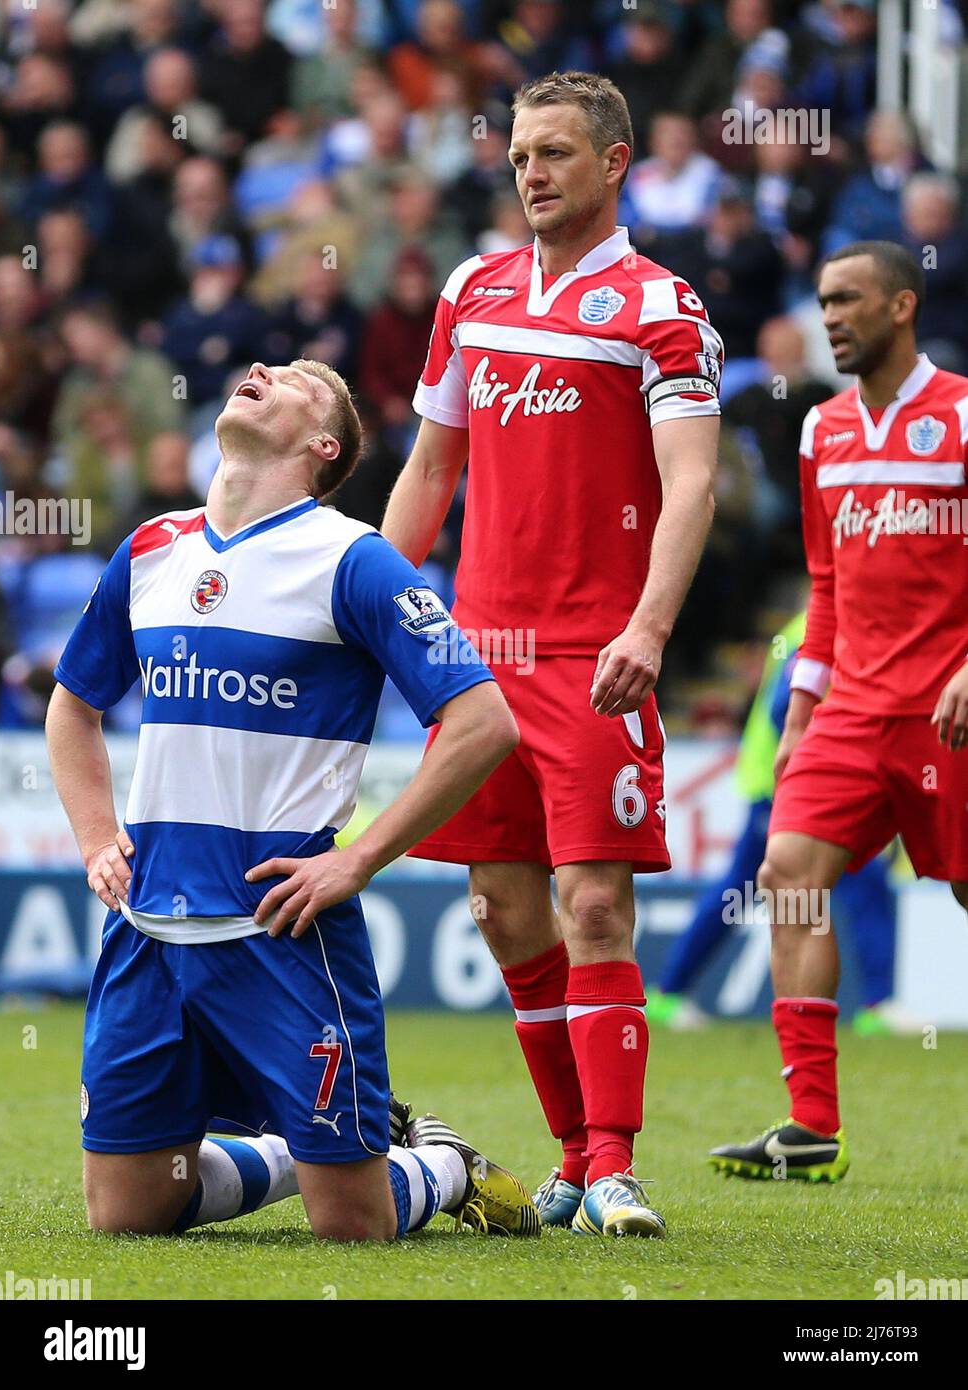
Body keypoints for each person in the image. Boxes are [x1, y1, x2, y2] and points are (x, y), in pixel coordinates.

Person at [45, 356, 538, 1241]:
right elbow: (73, 705)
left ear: (324, 444)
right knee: (127, 1212)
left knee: (351, 1227)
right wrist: (93, 837)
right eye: (265, 367)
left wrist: (357, 858)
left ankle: (440, 1167)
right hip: (148, 933)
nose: (263, 368)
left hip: (281, 933)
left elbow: (484, 722)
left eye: (303, 380)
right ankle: (295, 1152)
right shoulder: (154, 547)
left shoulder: (354, 560)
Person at [381, 71, 722, 1238]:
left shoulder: (660, 307)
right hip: (474, 657)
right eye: (521, 153)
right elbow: (430, 469)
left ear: (614, 162)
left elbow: (691, 482)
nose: (531, 172)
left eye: (556, 153)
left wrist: (648, 627)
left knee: (591, 905)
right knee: (502, 910)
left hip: (593, 657)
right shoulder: (472, 289)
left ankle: (617, 1164)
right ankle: (574, 1156)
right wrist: (373, 609)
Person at [709, 241, 968, 1182]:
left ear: (903, 305)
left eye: (849, 300)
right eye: (823, 302)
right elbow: (826, 587)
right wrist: (803, 709)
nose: (832, 318)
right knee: (789, 870)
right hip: (854, 707)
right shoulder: (822, 432)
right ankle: (812, 1123)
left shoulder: (965, 413)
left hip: (951, 711)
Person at [648, 612, 904, 1033]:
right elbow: (785, 709)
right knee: (750, 887)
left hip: (804, 779)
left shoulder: (811, 623)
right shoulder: (828, 622)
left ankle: (876, 1004)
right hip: (783, 782)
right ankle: (670, 992)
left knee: (846, 881)